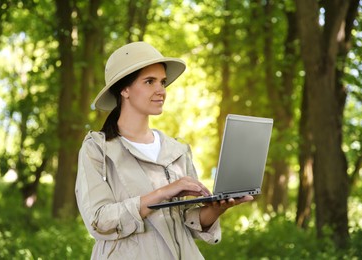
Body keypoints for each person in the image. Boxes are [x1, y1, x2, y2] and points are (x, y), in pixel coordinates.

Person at [75, 41, 253, 260]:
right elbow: (99, 221)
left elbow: (189, 221)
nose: (161, 91)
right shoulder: (98, 150)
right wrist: (163, 192)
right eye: (149, 82)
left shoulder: (177, 150)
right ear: (124, 89)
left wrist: (217, 208)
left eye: (162, 82)